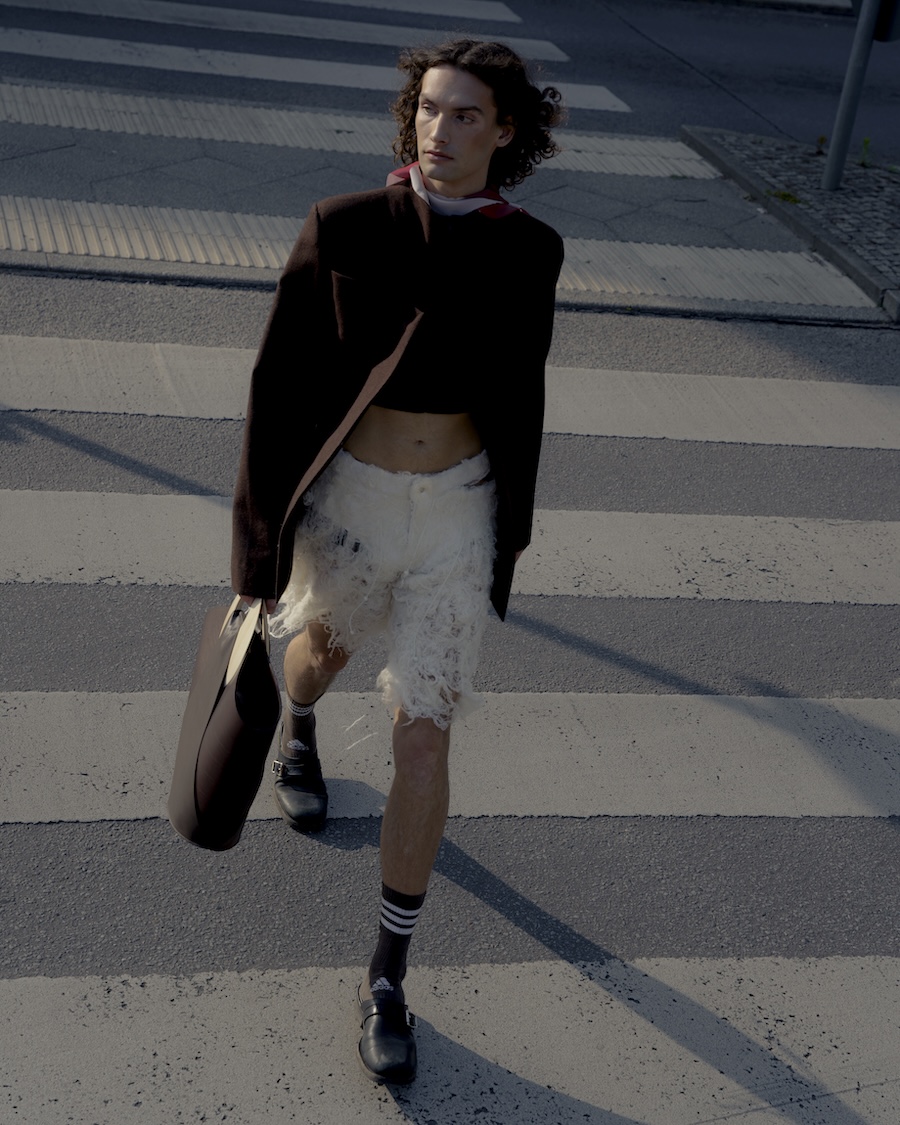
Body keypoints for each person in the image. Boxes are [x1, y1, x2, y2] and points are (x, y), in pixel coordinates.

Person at [232, 37, 564, 1085]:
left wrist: (511, 533)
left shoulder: (532, 250)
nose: (440, 130)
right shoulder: (346, 226)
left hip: (458, 515)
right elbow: (277, 386)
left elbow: (523, 395)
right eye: (429, 108)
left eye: (466, 115)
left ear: (505, 132)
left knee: (424, 742)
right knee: (320, 657)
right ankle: (298, 725)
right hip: (356, 504)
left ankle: (387, 974)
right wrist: (256, 548)